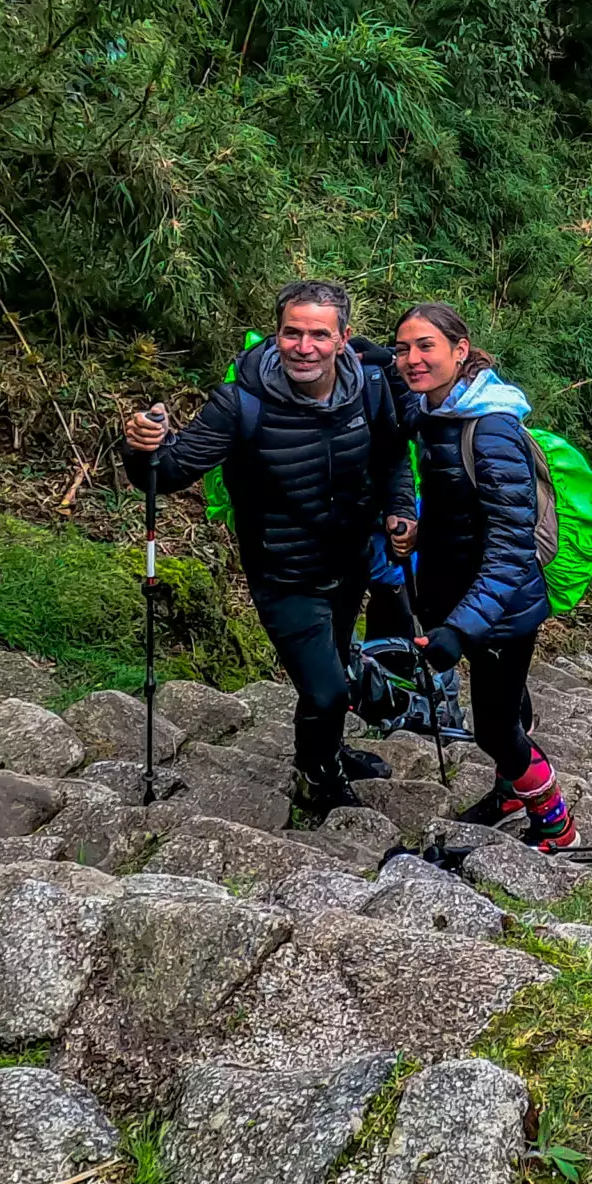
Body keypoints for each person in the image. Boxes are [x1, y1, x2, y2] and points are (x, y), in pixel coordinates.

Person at [123, 278, 416, 818]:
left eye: (319, 335)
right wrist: (143, 450)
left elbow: (392, 457)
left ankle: (327, 749)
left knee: (337, 669)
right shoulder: (241, 405)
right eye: (292, 332)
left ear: (344, 339)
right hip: (284, 574)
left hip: (349, 564)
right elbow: (169, 473)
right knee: (326, 690)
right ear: (277, 334)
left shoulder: (371, 388)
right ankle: (316, 777)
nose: (304, 347)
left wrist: (402, 508)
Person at [389, 301, 574, 850]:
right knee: (508, 704)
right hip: (466, 596)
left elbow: (511, 548)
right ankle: (511, 791)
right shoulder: (435, 408)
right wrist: (419, 531)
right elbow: (460, 511)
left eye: (427, 347)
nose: (412, 359)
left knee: (493, 728)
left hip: (501, 606)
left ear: (461, 351)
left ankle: (555, 822)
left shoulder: (490, 430)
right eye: (404, 348)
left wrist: (460, 629)